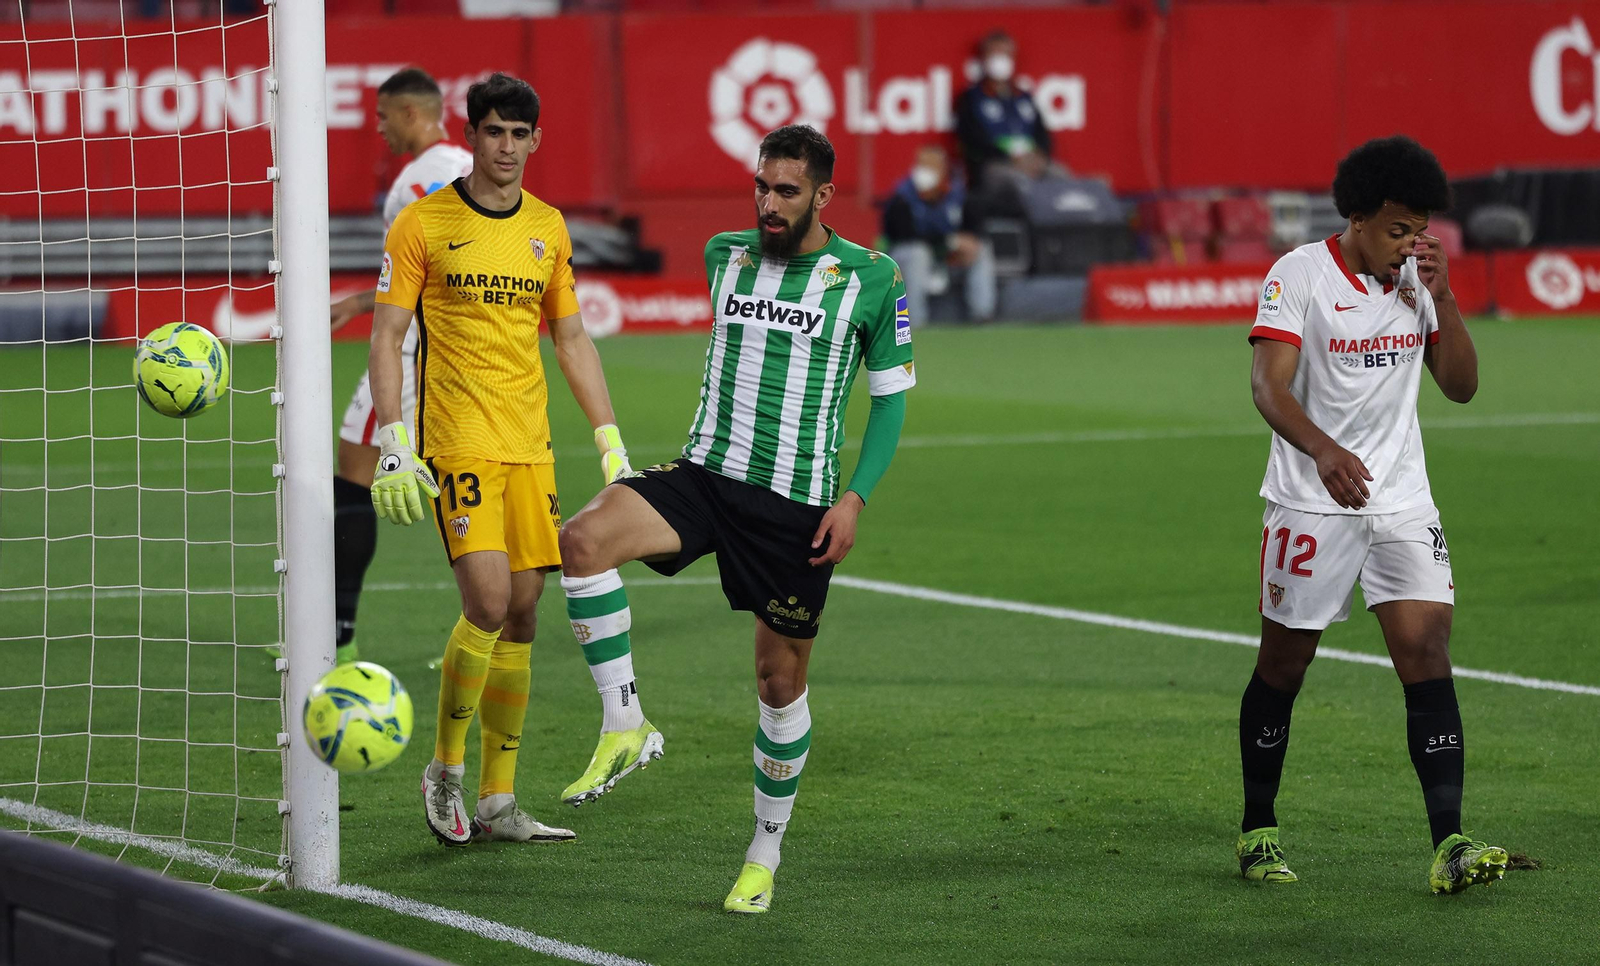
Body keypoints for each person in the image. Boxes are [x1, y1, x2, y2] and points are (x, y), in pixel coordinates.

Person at [556, 124, 914, 913]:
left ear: (823, 195)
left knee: (778, 684)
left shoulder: (874, 277)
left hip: (794, 506)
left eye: (787, 191)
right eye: (761, 186)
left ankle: (764, 852)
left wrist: (854, 498)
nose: (768, 203)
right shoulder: (726, 255)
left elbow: (890, 401)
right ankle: (625, 723)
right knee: (581, 541)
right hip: (704, 476)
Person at [368, 72, 638, 847]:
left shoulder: (548, 227)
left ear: (536, 140)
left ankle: (498, 798)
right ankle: (444, 771)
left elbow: (571, 338)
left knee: (522, 611)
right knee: (487, 602)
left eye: (521, 135)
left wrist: (609, 439)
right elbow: (388, 334)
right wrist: (394, 439)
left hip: (530, 446)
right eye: (495, 132)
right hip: (457, 439)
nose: (508, 148)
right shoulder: (424, 223)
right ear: (472, 135)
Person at [1239, 135, 1506, 894]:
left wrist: (1444, 298)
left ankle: (1450, 843)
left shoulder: (1419, 280)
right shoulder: (1299, 275)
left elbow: (1461, 388)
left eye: (1419, 230)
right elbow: (1268, 386)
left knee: (1426, 650)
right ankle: (1258, 829)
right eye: (1396, 230)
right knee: (1284, 664)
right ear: (1356, 218)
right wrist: (1324, 451)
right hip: (1311, 503)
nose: (1409, 245)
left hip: (1401, 500)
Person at [326, 68, 473, 665]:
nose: (380, 129)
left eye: (384, 116)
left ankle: (336, 637)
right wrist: (360, 301)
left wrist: (364, 305)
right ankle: (484, 632)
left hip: (412, 350)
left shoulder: (417, 183)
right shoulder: (468, 166)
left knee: (354, 473)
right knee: (465, 486)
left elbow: (428, 272)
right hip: (465, 351)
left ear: (411, 113)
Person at [882, 145, 996, 324]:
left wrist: (966, 244)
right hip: (903, 255)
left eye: (932, 166)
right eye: (922, 165)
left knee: (980, 249)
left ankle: (982, 315)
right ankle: (914, 322)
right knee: (918, 253)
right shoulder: (902, 197)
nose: (925, 171)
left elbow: (974, 228)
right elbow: (906, 236)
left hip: (943, 253)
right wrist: (950, 242)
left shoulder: (958, 196)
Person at [954, 30, 1053, 192]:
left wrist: (1039, 156)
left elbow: (1042, 134)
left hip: (1031, 162)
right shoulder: (971, 98)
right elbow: (972, 141)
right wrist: (1010, 158)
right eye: (995, 54)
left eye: (1005, 55)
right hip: (995, 165)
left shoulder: (1024, 97)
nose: (1000, 60)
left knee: (1059, 176)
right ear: (983, 59)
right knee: (1020, 184)